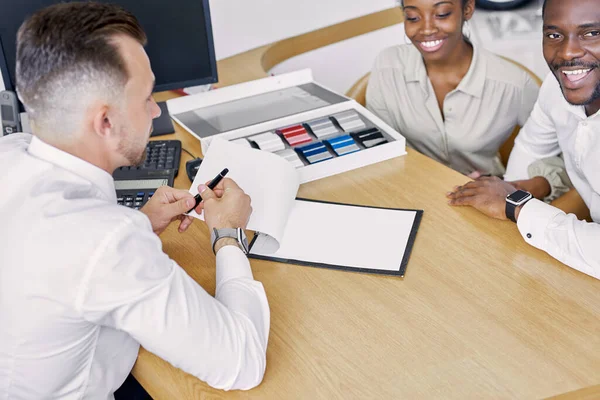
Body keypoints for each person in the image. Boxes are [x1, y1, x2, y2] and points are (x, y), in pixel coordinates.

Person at [0, 3, 269, 398]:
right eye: (147, 98)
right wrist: (228, 234)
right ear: (105, 122)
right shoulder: (105, 242)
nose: (156, 109)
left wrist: (142, 220)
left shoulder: (11, 152)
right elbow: (242, 362)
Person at [447, 0, 600, 278]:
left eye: (592, 33)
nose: (567, 52)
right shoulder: (557, 90)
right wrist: (508, 197)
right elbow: (531, 148)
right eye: (554, 35)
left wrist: (517, 207)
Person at [367, 0, 541, 179]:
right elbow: (379, 145)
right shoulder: (388, 65)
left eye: (442, 14)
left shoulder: (513, 84)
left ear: (467, 9)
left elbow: (554, 155)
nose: (427, 29)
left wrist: (512, 186)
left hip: (484, 196)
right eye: (413, 17)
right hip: (410, 186)